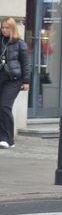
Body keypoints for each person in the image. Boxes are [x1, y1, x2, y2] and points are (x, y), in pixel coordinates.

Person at [0, 17, 30, 149]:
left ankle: (8, 140)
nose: (4, 30)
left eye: (7, 28)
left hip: (13, 80)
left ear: (12, 28)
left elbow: (25, 64)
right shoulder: (0, 40)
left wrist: (26, 81)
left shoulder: (20, 43)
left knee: (4, 107)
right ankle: (3, 138)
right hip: (1, 78)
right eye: (3, 27)